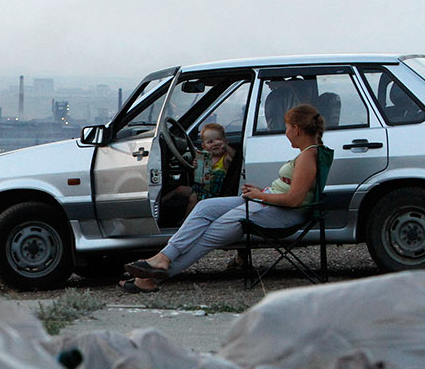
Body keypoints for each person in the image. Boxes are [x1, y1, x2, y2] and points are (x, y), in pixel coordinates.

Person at [120, 103, 324, 293]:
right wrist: (262, 192)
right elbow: (291, 189)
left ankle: (151, 279)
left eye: (287, 127)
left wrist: (260, 195)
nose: (286, 133)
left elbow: (294, 201)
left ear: (296, 129)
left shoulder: (307, 157)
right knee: (205, 207)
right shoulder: (307, 153)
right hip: (267, 202)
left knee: (210, 234)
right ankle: (163, 257)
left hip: (281, 212)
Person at [162, 122, 236, 215]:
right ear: (203, 146)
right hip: (203, 189)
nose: (215, 144)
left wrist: (226, 148)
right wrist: (196, 168)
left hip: (216, 193)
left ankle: (186, 220)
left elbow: (236, 159)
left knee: (193, 198)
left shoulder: (225, 158)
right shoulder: (204, 157)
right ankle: (161, 203)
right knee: (179, 189)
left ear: (226, 141)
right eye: (210, 142)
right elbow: (197, 179)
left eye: (219, 140)